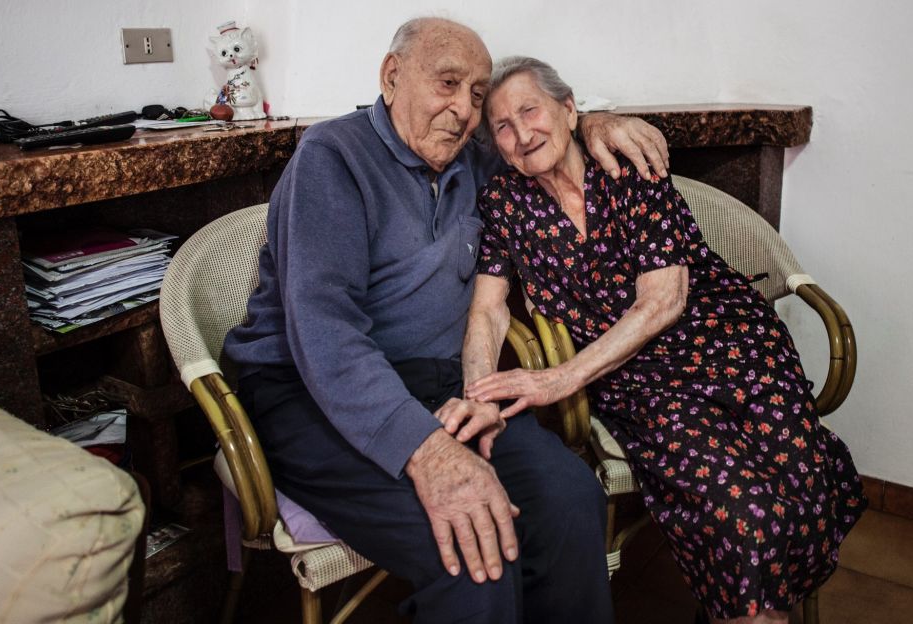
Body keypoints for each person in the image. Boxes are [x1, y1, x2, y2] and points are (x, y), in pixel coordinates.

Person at [223, 18, 670, 623]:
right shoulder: (331, 158)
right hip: (306, 389)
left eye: (477, 94)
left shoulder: (474, 159)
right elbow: (325, 335)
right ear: (391, 77)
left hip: (435, 387)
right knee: (470, 555)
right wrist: (427, 451)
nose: (464, 110)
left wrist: (590, 122)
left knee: (571, 499)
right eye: (448, 83)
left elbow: (538, 136)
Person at [456, 56, 867, 624]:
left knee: (797, 468)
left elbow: (665, 300)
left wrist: (562, 377)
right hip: (634, 376)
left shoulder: (628, 166)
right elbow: (487, 309)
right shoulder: (503, 204)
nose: (522, 134)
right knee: (739, 504)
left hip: (727, 340)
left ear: (570, 110)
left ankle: (744, 602)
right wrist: (479, 393)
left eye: (531, 110)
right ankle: (750, 609)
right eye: (502, 126)